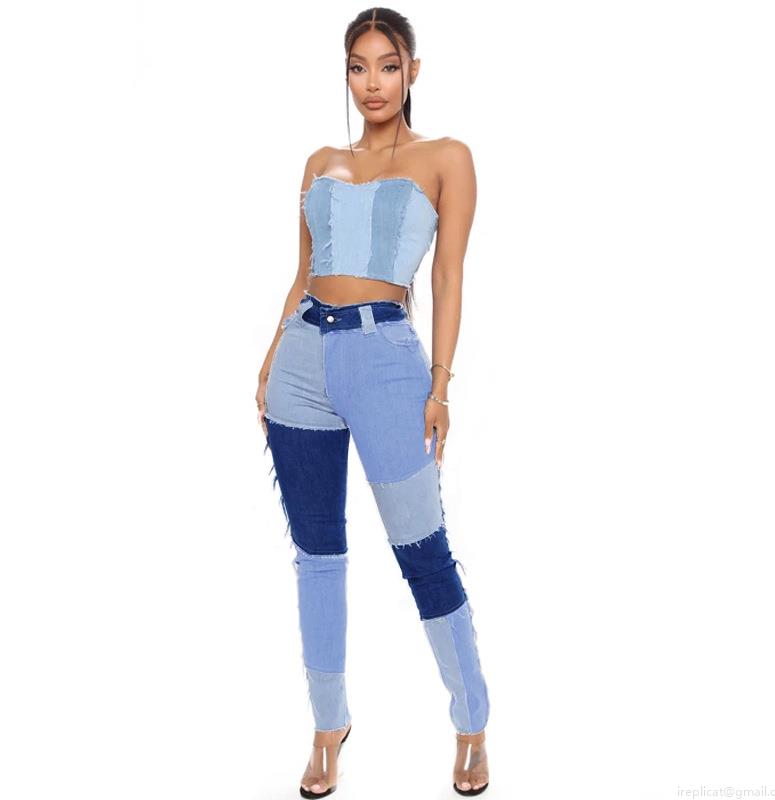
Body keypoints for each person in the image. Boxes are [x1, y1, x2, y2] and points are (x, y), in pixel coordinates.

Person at [255, 8, 491, 797]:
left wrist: (441, 383)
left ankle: (471, 720)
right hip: (301, 359)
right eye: (358, 67)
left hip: (387, 360)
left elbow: (448, 275)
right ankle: (328, 726)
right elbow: (304, 271)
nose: (373, 83)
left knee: (422, 550)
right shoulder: (320, 161)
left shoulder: (446, 157)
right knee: (316, 554)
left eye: (388, 65)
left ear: (412, 71)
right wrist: (270, 358)